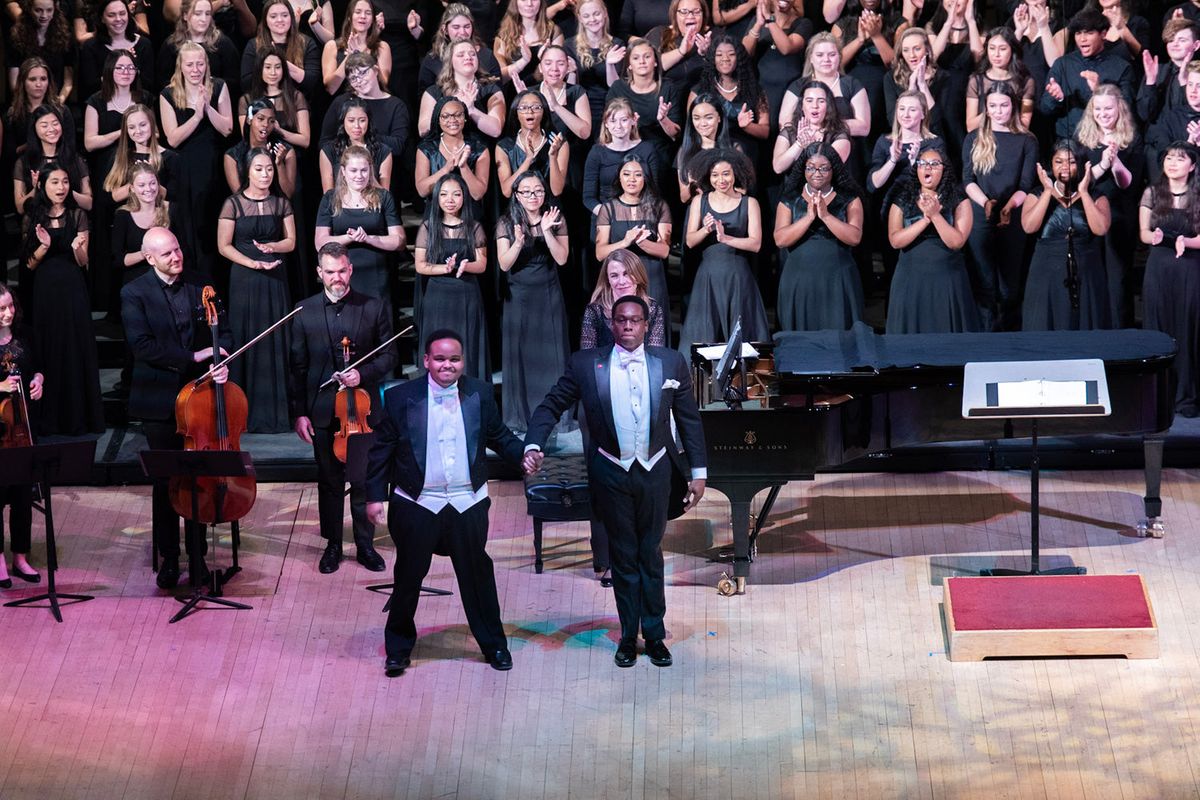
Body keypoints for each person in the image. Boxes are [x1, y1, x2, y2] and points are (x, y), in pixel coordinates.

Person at [524, 294, 708, 668]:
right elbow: (551, 405)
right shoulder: (586, 364)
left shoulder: (670, 362)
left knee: (650, 553)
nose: (627, 326)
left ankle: (654, 635)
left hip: (656, 470)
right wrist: (533, 442)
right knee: (623, 556)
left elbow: (690, 420)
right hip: (611, 471)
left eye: (634, 320)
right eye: (620, 320)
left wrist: (699, 473)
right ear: (612, 324)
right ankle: (628, 636)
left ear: (646, 324)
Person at [365, 329, 528, 677]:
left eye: (454, 359)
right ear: (426, 361)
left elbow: (498, 435)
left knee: (478, 577)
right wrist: (375, 495)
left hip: (467, 502)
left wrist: (523, 455)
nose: (447, 365)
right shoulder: (399, 398)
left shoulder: (480, 393)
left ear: (462, 361)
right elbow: (381, 450)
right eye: (439, 359)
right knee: (408, 576)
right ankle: (397, 648)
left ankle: (494, 645)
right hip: (417, 502)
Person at [121, 227, 232, 590]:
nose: (176, 256)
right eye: (167, 253)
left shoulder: (202, 286)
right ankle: (170, 557)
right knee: (166, 482)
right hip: (159, 399)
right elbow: (142, 346)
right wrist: (191, 356)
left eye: (178, 248)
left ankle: (198, 557)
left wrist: (220, 355)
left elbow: (224, 330)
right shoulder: (133, 293)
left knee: (198, 477)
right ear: (150, 258)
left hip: (199, 397)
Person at [289, 242, 396, 573]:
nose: (338, 277)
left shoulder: (374, 307)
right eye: (331, 272)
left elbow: (390, 356)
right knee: (330, 481)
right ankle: (333, 545)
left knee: (363, 480)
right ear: (320, 272)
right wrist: (299, 413)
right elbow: (297, 367)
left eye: (343, 270)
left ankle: (365, 544)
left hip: (361, 412)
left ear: (351, 269)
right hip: (322, 412)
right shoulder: (303, 311)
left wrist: (361, 373)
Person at [216, 147, 296, 434]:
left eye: (269, 169)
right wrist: (251, 261)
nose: (265, 174)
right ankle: (243, 413)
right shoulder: (233, 204)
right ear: (247, 171)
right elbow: (223, 246)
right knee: (246, 337)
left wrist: (272, 247)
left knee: (275, 339)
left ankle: (276, 414)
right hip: (244, 279)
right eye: (259, 169)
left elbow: (291, 242)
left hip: (274, 276)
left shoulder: (281, 203)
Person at [20, 163, 104, 436]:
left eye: (65, 181)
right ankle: (51, 418)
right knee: (49, 346)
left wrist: (78, 249)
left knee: (75, 346)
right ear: (42, 185)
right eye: (55, 182)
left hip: (72, 289)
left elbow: (85, 262)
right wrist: (44, 246)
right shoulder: (33, 216)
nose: (61, 187)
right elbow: (29, 266)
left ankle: (81, 417)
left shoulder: (77, 215)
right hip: (45, 291)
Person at [496, 172, 569, 430]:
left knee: (551, 353)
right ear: (516, 195)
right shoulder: (507, 222)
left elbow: (562, 259)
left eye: (538, 190)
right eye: (526, 191)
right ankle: (522, 417)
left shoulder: (555, 218)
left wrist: (547, 232)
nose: (533, 196)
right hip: (519, 296)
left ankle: (555, 416)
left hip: (548, 293)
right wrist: (517, 243)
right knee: (522, 355)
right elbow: (504, 264)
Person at [961, 86, 1037, 331]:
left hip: (1012, 213)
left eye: (1004, 105)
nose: (998, 111)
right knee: (984, 281)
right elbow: (968, 180)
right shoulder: (974, 137)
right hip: (980, 211)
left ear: (1013, 106)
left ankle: (1008, 336)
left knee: (1009, 283)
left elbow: (1026, 184)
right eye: (993, 106)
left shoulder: (1026, 140)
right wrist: (985, 203)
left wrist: (1009, 206)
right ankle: (983, 336)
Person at [679, 148, 769, 349]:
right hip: (708, 277)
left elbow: (755, 243)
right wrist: (706, 229)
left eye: (726, 174)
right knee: (705, 336)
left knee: (741, 337)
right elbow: (690, 241)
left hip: (738, 276)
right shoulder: (699, 201)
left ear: (735, 173)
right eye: (715, 175)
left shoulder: (749, 203)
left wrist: (726, 238)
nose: (721, 180)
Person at [885, 145, 980, 334]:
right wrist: (926, 219)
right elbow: (895, 241)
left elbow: (956, 241)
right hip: (911, 279)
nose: (927, 168)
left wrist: (936, 216)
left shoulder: (959, 200)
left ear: (944, 168)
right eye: (923, 163)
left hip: (947, 279)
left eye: (934, 164)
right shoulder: (902, 198)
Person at [1021, 140, 1111, 331]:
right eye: (1058, 161)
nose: (1064, 167)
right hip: (1046, 272)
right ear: (1050, 165)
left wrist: (1084, 192)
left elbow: (1101, 229)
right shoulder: (1036, 194)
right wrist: (1047, 191)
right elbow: (1029, 227)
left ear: (1080, 164)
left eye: (1071, 162)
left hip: (1086, 271)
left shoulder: (1096, 195)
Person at [774, 142, 865, 331]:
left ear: (834, 170)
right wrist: (809, 218)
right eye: (811, 168)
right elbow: (780, 239)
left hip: (837, 278)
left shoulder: (849, 198)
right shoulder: (790, 198)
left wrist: (825, 216)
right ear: (803, 169)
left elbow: (855, 238)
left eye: (824, 168)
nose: (817, 173)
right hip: (800, 278)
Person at [1140, 143, 1200, 417]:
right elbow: (1143, 231)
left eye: (1180, 158)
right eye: (1168, 157)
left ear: (1193, 166)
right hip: (1159, 267)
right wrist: (1153, 237)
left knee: (1187, 327)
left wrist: (1184, 240)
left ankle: (1186, 397)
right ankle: (1159, 396)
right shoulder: (1152, 192)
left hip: (1189, 267)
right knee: (1159, 327)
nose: (1172, 162)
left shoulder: (1198, 196)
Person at [414, 174, 490, 379]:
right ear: (437, 198)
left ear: (464, 197)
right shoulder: (428, 228)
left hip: (466, 295)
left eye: (456, 194)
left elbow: (482, 264)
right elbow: (420, 266)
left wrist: (464, 266)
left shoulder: (474, 227)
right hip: (437, 296)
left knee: (466, 347)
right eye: (445, 194)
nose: (450, 199)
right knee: (438, 346)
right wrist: (445, 269)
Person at [0, 283, 43, 588]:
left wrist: (39, 381)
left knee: (22, 496)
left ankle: (20, 556)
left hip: (23, 427)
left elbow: (38, 368)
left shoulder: (25, 335)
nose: (8, 313)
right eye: (1, 309)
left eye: (10, 307)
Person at [1039, 7, 1135, 139]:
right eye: (1078, 33)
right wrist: (1056, 98)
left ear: (1103, 34)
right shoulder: (1063, 64)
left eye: (1089, 33)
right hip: (1069, 143)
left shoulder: (1121, 67)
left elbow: (1128, 110)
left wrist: (1099, 90)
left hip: (1106, 141)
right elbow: (1044, 109)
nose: (1082, 39)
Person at [322, 0, 392, 95]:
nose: (363, 16)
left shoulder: (382, 47)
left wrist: (361, 55)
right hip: (343, 104)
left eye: (368, 13)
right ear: (350, 17)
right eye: (358, 12)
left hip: (372, 103)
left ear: (372, 20)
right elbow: (331, 88)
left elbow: (383, 84)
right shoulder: (332, 46)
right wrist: (350, 56)